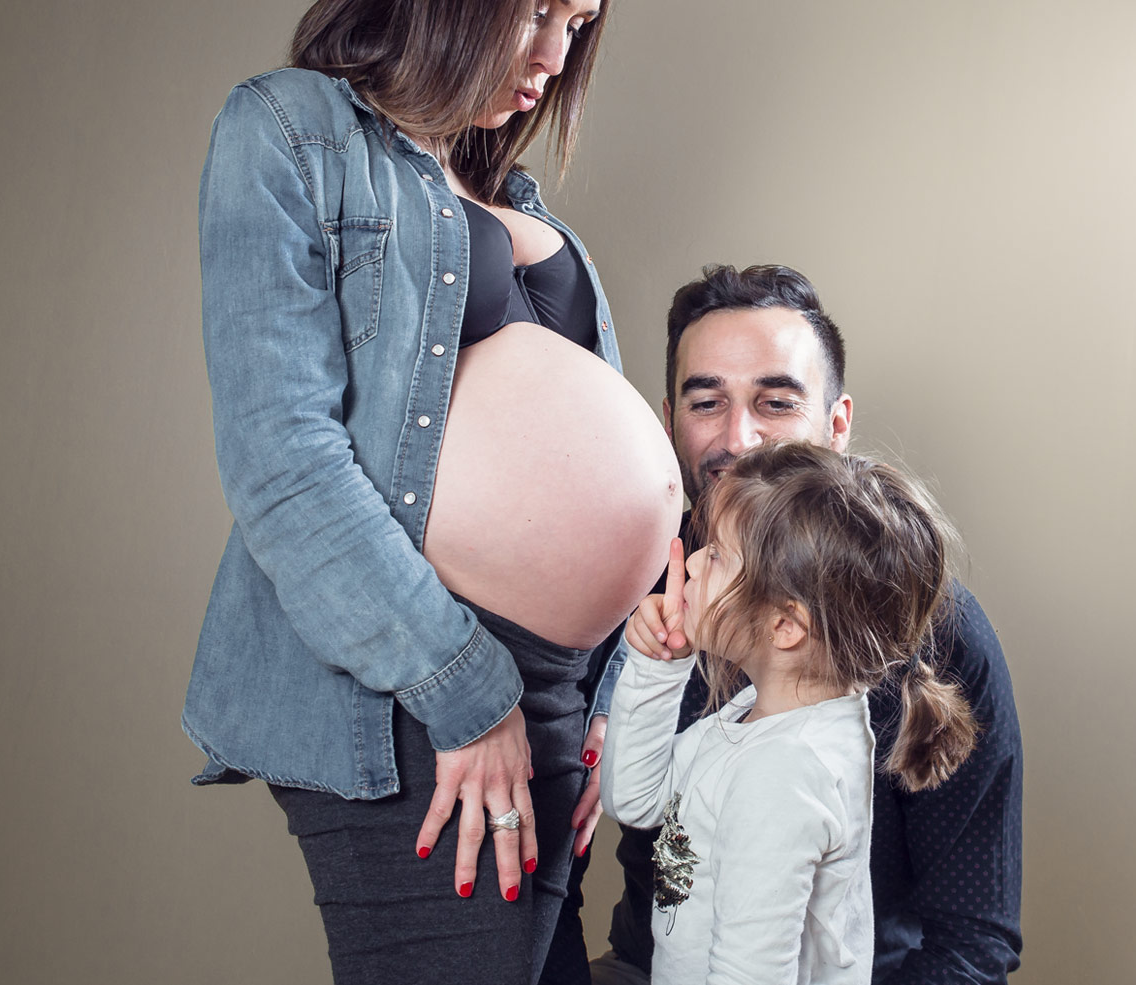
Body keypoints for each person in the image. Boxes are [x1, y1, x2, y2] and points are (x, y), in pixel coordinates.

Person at [180, 1, 681, 982]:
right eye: (538, 10)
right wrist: (467, 693)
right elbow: (281, 462)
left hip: (560, 706)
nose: (554, 55)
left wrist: (611, 700)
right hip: (417, 690)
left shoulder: (527, 209)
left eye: (578, 23)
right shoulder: (292, 130)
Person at [580, 265, 1025, 984]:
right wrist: (655, 665)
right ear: (669, 424)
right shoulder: (658, 594)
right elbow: (632, 799)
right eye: (707, 402)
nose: (740, 437)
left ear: (837, 424)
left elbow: (971, 943)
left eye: (776, 401)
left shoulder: (931, 640)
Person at [602, 441, 980, 985]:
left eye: (717, 555)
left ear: (785, 626)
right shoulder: (759, 715)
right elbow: (635, 800)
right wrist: (660, 664)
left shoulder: (784, 772)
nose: (692, 559)